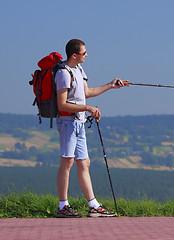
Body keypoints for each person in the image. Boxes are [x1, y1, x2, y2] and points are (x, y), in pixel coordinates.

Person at [55, 39, 129, 217]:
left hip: (79, 123)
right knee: (67, 162)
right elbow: (62, 105)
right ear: (75, 55)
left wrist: (110, 86)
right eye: (84, 52)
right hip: (68, 123)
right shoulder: (63, 73)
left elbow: (86, 93)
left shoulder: (79, 70)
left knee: (84, 163)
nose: (86, 55)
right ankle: (62, 206)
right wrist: (88, 108)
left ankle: (93, 206)